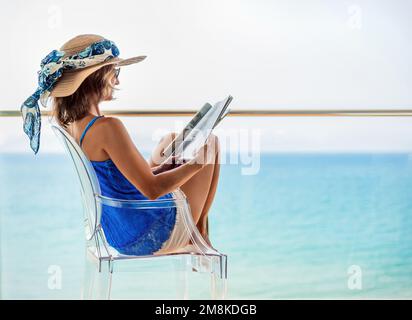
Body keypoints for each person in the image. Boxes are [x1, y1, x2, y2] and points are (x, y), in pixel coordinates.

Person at [20, 34, 220, 255]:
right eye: (114, 72)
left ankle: (198, 236)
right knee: (211, 142)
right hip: (152, 233)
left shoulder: (72, 125)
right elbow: (153, 190)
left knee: (170, 141)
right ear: (95, 78)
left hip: (118, 234)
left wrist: (162, 168)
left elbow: (115, 179)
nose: (117, 81)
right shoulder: (107, 128)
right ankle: (198, 236)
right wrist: (198, 165)